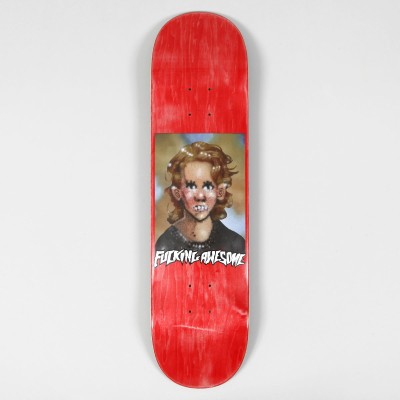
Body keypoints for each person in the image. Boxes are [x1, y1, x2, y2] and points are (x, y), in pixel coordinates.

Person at [155, 141, 245, 254]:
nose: (200, 196)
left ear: (220, 191)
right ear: (177, 193)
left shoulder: (235, 245)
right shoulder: (165, 245)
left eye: (208, 186)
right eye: (191, 186)